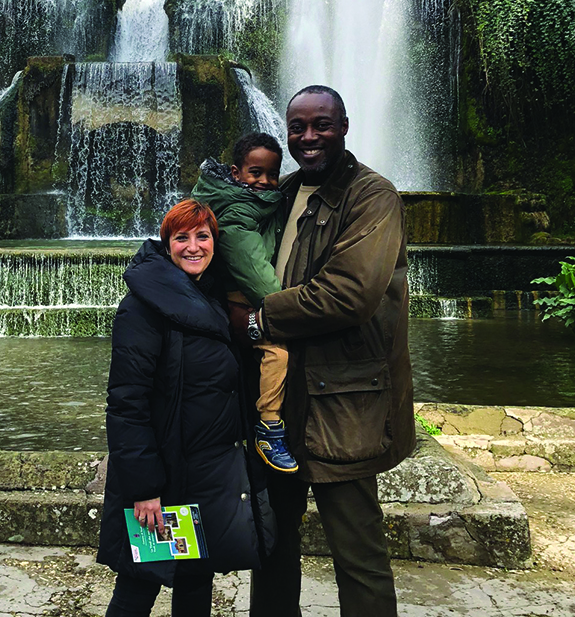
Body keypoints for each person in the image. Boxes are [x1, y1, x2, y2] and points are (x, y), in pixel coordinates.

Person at [232, 86, 415, 617]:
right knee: (271, 546)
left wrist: (256, 321)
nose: (308, 137)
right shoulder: (280, 192)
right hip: (278, 404)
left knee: (357, 553)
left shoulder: (372, 196)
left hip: (344, 405)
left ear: (344, 127)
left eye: (322, 125)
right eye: (297, 127)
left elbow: (349, 294)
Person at [97, 199, 275, 617]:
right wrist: (145, 490)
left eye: (203, 236)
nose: (193, 247)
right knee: (139, 587)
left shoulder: (212, 296)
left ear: (215, 242)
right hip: (167, 476)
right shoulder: (143, 308)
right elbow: (127, 402)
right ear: (167, 244)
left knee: (197, 584)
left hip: (209, 476)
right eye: (182, 238)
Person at [191, 133, 297, 475]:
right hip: (243, 296)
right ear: (236, 173)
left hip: (236, 293)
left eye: (272, 174)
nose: (265, 181)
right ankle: (269, 425)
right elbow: (257, 278)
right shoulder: (237, 213)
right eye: (256, 173)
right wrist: (285, 308)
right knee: (278, 349)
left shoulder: (249, 201)